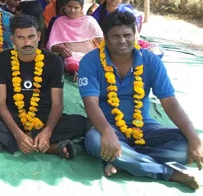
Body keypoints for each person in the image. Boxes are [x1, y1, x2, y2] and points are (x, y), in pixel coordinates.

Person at [78, 12, 203, 190]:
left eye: (127, 35)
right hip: (107, 128)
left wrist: (193, 137)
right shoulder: (91, 61)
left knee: (185, 146)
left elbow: (170, 102)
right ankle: (168, 173)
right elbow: (91, 103)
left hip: (145, 128)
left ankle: (126, 161)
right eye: (116, 36)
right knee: (94, 141)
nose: (122, 41)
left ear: (135, 34)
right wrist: (107, 131)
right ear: (105, 37)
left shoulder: (150, 60)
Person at [0, 15, 89, 159]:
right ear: (12, 39)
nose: (27, 42)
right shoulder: (1, 60)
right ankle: (48, 147)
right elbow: (0, 103)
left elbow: (57, 104)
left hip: (42, 117)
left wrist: (47, 131)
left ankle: (9, 141)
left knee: (82, 123)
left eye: (31, 36)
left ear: (38, 36)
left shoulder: (54, 61)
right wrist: (17, 134)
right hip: (12, 115)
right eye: (21, 38)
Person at [47, 0, 103, 79]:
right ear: (64, 6)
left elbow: (101, 41)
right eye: (69, 6)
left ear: (81, 8)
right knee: (72, 65)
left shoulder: (89, 20)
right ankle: (86, 73)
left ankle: (84, 73)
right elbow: (51, 45)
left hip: (91, 54)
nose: (72, 10)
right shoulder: (59, 21)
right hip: (72, 57)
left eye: (76, 8)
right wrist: (60, 49)